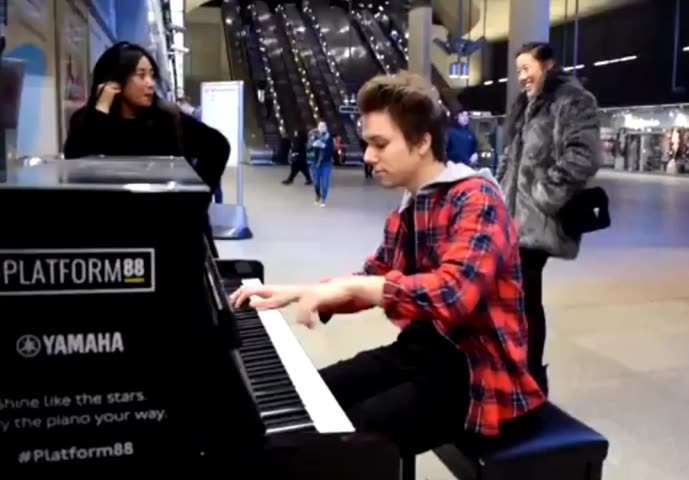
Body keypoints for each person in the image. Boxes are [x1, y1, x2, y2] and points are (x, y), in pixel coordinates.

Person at [230, 72, 545, 456]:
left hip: (478, 372)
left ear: (423, 142)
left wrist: (352, 287)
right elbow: (374, 276)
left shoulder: (477, 199)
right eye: (367, 144)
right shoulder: (410, 207)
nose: (367, 156)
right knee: (308, 397)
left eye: (380, 144)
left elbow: (453, 294)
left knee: (344, 444)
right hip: (421, 351)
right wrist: (299, 292)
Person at [496, 42, 601, 395]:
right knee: (517, 299)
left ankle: (529, 382)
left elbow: (584, 156)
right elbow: (512, 157)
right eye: (518, 70)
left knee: (525, 301)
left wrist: (545, 194)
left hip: (539, 221)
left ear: (549, 65)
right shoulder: (529, 105)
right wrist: (498, 189)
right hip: (514, 220)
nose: (521, 77)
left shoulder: (572, 100)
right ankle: (520, 375)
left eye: (527, 68)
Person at [63, 42, 229, 254]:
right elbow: (75, 160)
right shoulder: (89, 120)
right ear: (116, 80)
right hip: (113, 236)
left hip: (170, 233)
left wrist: (195, 199)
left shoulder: (166, 118)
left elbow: (218, 146)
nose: (150, 83)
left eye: (152, 75)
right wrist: (101, 108)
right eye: (141, 75)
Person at [307, 121, 333, 207]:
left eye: (323, 126)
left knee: (325, 183)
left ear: (326, 128)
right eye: (320, 126)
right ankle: (317, 195)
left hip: (326, 163)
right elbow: (308, 148)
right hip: (315, 163)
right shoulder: (313, 136)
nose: (322, 128)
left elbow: (331, 151)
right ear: (317, 127)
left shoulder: (329, 137)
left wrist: (324, 146)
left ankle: (323, 199)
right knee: (316, 182)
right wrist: (313, 145)